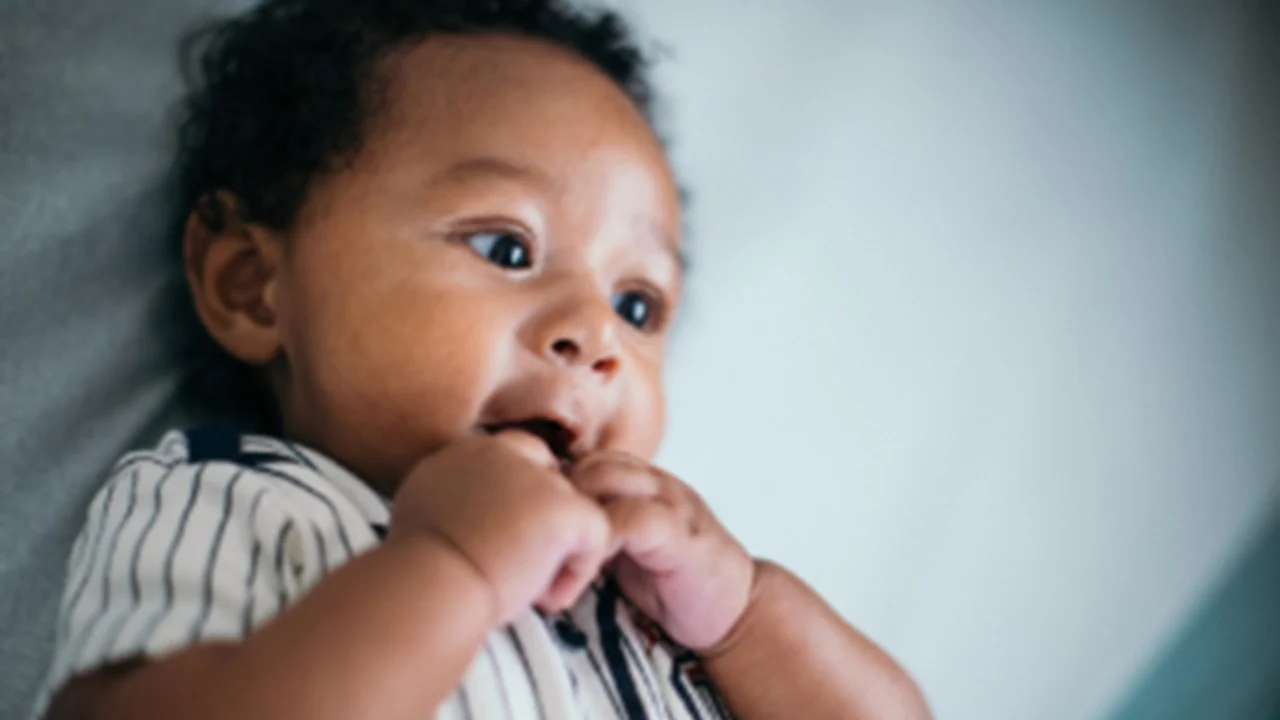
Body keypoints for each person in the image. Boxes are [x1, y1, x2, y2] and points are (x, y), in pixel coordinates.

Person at [33, 1, 931, 718]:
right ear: (252, 287)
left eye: (637, 304)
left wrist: (742, 616)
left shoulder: (652, 592)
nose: (595, 335)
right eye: (507, 248)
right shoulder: (228, 494)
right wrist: (449, 564)